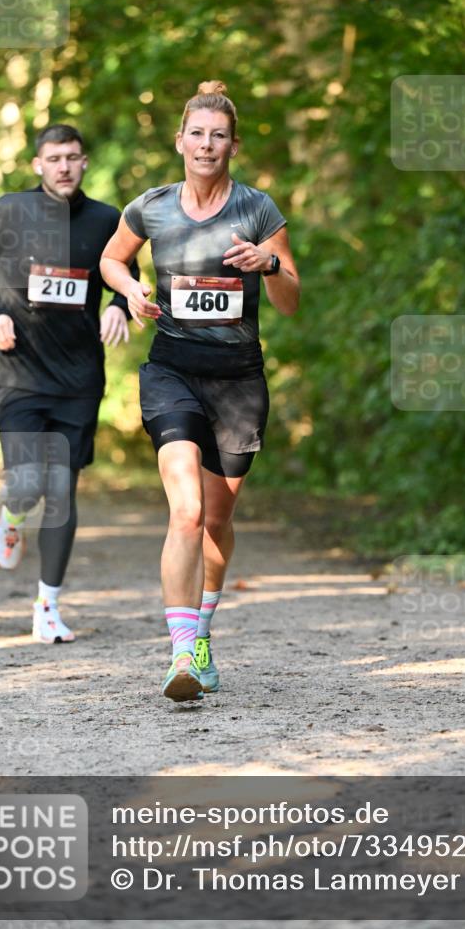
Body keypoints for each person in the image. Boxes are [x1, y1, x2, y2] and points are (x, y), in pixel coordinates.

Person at [100, 81, 300, 701]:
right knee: (184, 509)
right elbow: (112, 259)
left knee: (216, 519)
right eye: (197, 134)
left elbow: (290, 299)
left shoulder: (258, 210)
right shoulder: (152, 207)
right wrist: (131, 291)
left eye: (218, 135)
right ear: (180, 140)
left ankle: (203, 633)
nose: (206, 145)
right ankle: (181, 654)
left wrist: (267, 267)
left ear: (232, 145)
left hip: (238, 381)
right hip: (171, 372)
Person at [0, 123, 138, 643]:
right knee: (29, 483)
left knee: (61, 490)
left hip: (79, 378)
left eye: (73, 157)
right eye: (54, 158)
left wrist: (120, 304)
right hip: (16, 371)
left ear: (85, 163)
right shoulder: (10, 211)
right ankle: (11, 514)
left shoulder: (108, 219)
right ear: (38, 164)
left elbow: (126, 270)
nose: (64, 166)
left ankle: (47, 607)